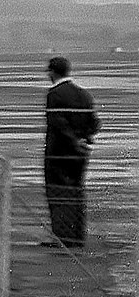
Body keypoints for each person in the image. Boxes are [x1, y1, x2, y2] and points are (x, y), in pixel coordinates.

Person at [43, 55, 100, 248]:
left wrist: (74, 141)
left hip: (58, 154)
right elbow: (95, 123)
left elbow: (58, 124)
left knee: (58, 194)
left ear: (52, 72)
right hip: (81, 154)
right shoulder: (84, 94)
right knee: (77, 192)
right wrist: (85, 140)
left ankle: (62, 237)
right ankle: (77, 235)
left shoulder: (54, 94)